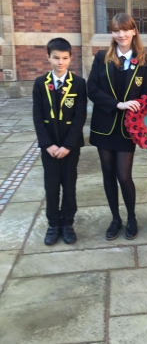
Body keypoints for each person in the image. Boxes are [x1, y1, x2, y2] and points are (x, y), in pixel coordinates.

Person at [87, 14, 147, 241]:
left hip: (128, 129)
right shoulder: (101, 58)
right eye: (116, 30)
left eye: (125, 30)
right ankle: (115, 218)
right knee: (108, 175)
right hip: (104, 125)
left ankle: (132, 217)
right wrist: (118, 104)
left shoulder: (146, 61)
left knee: (124, 175)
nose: (121, 35)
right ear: (112, 33)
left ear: (134, 31)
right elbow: (92, 89)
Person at [33, 37, 87, 246]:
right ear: (48, 57)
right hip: (49, 147)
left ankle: (68, 224)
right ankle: (53, 224)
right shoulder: (40, 83)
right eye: (56, 58)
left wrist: (67, 145)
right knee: (51, 185)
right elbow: (38, 117)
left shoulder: (79, 84)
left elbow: (79, 117)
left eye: (65, 58)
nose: (60, 62)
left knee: (69, 184)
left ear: (70, 58)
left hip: (70, 146)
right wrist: (48, 144)